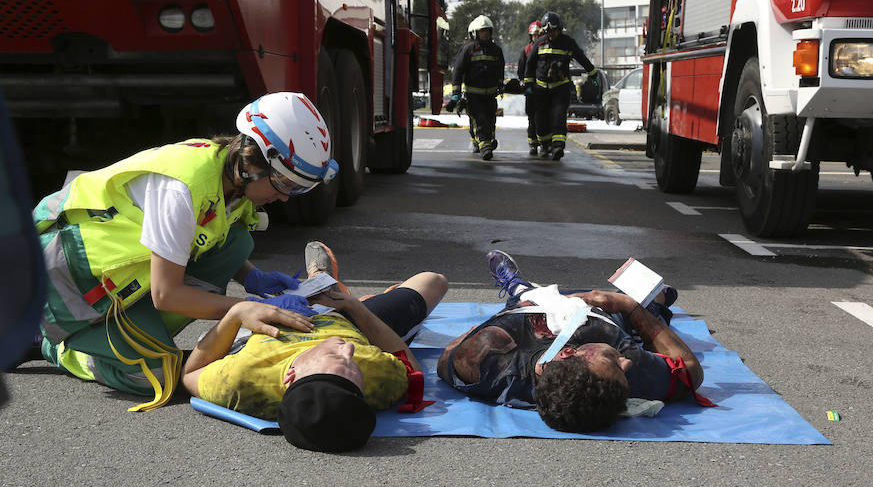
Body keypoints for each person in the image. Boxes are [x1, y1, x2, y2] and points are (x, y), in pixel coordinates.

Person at [32, 91, 339, 411]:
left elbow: (218, 234)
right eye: (286, 184)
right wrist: (244, 308)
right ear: (253, 162)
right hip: (70, 282)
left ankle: (138, 334)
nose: (287, 198)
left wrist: (254, 278)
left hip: (123, 282)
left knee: (237, 244)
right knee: (161, 376)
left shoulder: (229, 176)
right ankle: (61, 347)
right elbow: (167, 295)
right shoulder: (181, 190)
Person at [182, 241, 449, 452]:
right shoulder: (377, 381)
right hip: (345, 318)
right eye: (356, 369)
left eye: (334, 355)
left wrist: (237, 313)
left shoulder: (242, 381)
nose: (349, 351)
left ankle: (316, 282)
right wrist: (352, 306)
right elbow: (411, 369)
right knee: (433, 281)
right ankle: (328, 283)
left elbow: (190, 373)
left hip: (264, 315)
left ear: (290, 375)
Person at [437, 251, 710, 433]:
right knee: (652, 297)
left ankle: (518, 288)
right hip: (607, 311)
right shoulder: (619, 374)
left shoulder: (490, 363)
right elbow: (690, 371)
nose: (624, 361)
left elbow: (447, 359)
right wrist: (629, 307)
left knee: (524, 300)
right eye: (619, 364)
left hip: (528, 309)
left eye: (614, 361)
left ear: (568, 352)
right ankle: (656, 302)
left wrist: (481, 330)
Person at [523, 11, 602, 160]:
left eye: (553, 30)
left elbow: (581, 58)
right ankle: (545, 146)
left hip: (560, 88)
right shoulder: (539, 43)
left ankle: (558, 147)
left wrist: (593, 74)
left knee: (558, 117)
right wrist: (528, 84)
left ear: (559, 29)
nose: (551, 34)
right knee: (540, 120)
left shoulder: (568, 43)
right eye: (548, 31)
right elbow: (530, 64)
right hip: (541, 89)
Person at [446, 14, 505, 160]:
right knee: (480, 120)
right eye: (482, 31)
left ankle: (486, 142)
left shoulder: (496, 50)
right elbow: (458, 71)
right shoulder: (468, 49)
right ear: (475, 33)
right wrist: (456, 94)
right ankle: (485, 147)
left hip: (490, 96)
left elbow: (500, 69)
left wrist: (501, 84)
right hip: (474, 96)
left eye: (487, 30)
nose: (485, 33)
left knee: (490, 121)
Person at [517, 20, 542, 156]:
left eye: (538, 35)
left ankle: (544, 143)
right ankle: (533, 144)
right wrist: (525, 85)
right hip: (531, 91)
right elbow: (521, 70)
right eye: (534, 35)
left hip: (545, 90)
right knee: (532, 118)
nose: (536, 38)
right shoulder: (526, 50)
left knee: (544, 117)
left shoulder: (546, 47)